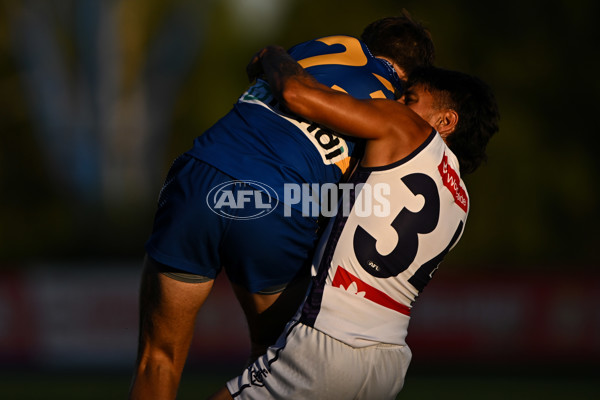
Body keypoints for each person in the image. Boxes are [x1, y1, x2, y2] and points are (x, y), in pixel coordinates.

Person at [129, 12, 436, 400]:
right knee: (277, 369)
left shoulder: (330, 46)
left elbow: (268, 68)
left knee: (158, 357)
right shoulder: (395, 111)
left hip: (202, 170)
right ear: (412, 78)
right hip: (279, 199)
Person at [208, 45, 499, 399]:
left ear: (446, 121)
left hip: (327, 341)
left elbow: (298, 94)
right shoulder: (461, 201)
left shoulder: (404, 127)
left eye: (410, 99)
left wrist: (273, 57)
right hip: (389, 363)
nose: (397, 103)